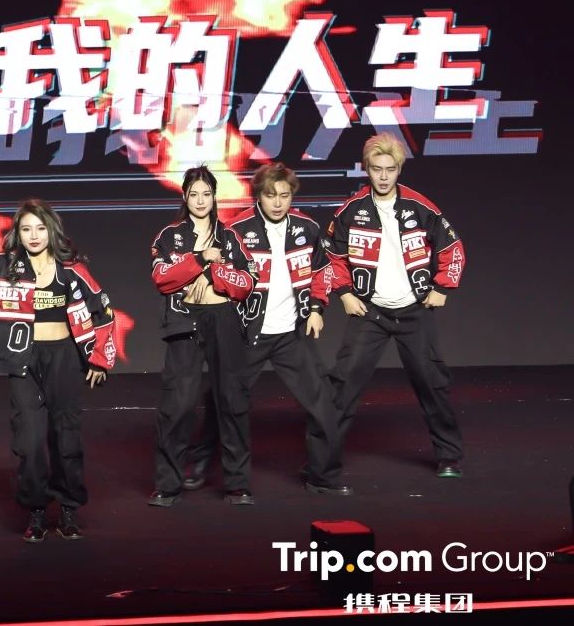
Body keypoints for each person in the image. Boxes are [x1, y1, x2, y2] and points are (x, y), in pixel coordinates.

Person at [0, 199, 117, 543]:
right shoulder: (2, 266)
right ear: (18, 232)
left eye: (40, 228)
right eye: (26, 228)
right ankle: (36, 511)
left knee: (66, 437)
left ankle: (69, 509)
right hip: (24, 361)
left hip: (64, 359)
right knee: (29, 440)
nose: (34, 235)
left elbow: (102, 310)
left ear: (52, 230)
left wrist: (100, 358)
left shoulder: (72, 268)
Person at [178, 163, 351, 496]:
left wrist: (317, 308)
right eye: (271, 195)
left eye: (284, 195)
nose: (278, 202)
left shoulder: (307, 228)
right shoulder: (237, 229)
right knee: (224, 401)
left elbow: (321, 270)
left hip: (291, 334)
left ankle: (323, 477)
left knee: (322, 404)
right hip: (246, 335)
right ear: (259, 195)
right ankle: (200, 460)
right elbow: (216, 273)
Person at [322, 133, 466, 478]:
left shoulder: (421, 206)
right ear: (366, 169)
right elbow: (331, 256)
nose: (383, 176)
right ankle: (322, 460)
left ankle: (449, 457)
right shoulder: (351, 210)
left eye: (390, 169)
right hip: (370, 311)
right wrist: (345, 293)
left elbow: (452, 248)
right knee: (343, 384)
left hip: (413, 310)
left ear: (399, 170)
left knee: (431, 382)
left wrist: (442, 286)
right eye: (377, 169)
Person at [148, 166, 259, 506]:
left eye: (206, 194)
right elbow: (163, 279)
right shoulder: (169, 236)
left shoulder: (230, 237)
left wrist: (212, 274)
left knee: (232, 400)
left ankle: (238, 484)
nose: (200, 200)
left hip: (223, 318)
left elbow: (247, 283)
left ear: (214, 197)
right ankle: (167, 485)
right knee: (178, 404)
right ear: (184, 196)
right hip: (184, 319)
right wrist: (199, 259)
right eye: (194, 194)